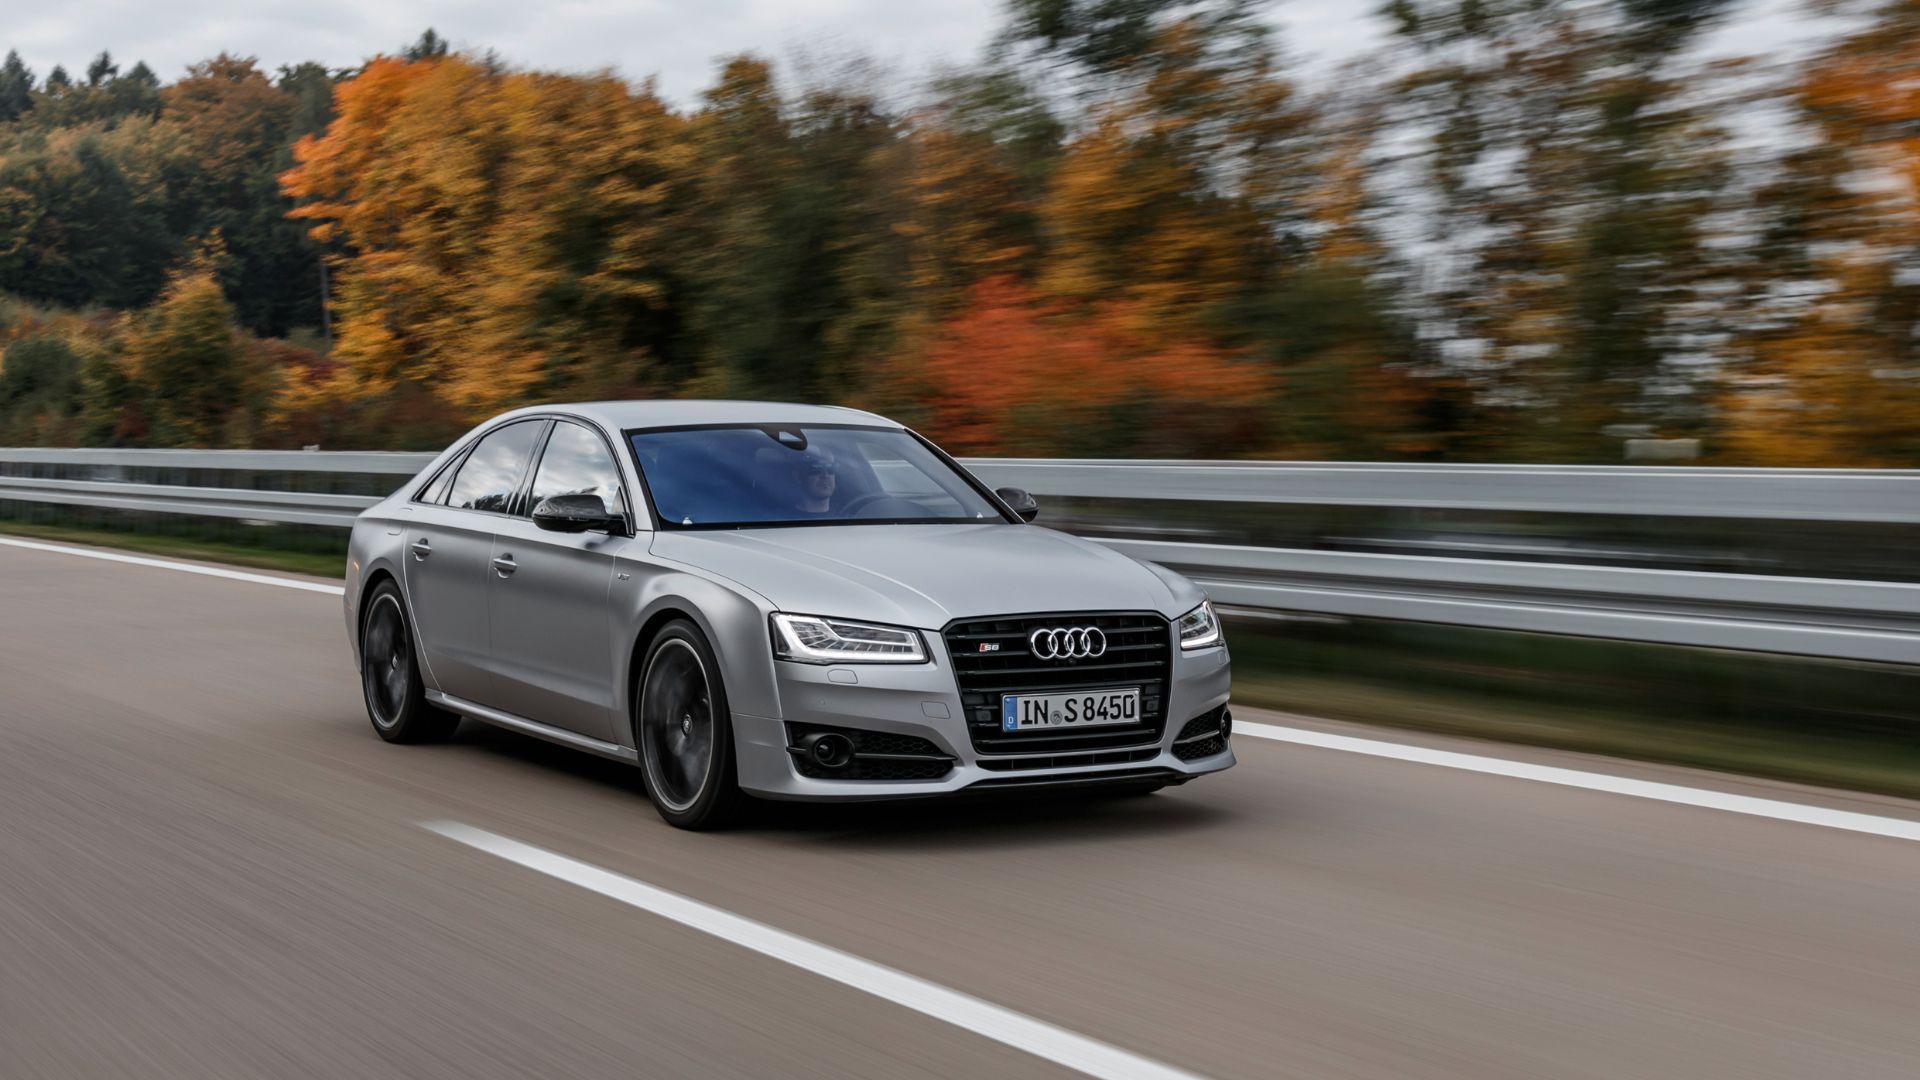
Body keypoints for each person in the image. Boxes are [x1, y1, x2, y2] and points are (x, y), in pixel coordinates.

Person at [787, 448, 837, 515]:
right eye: (816, 469)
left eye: (831, 469)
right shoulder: (779, 519)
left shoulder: (849, 517)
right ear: (798, 476)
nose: (825, 475)